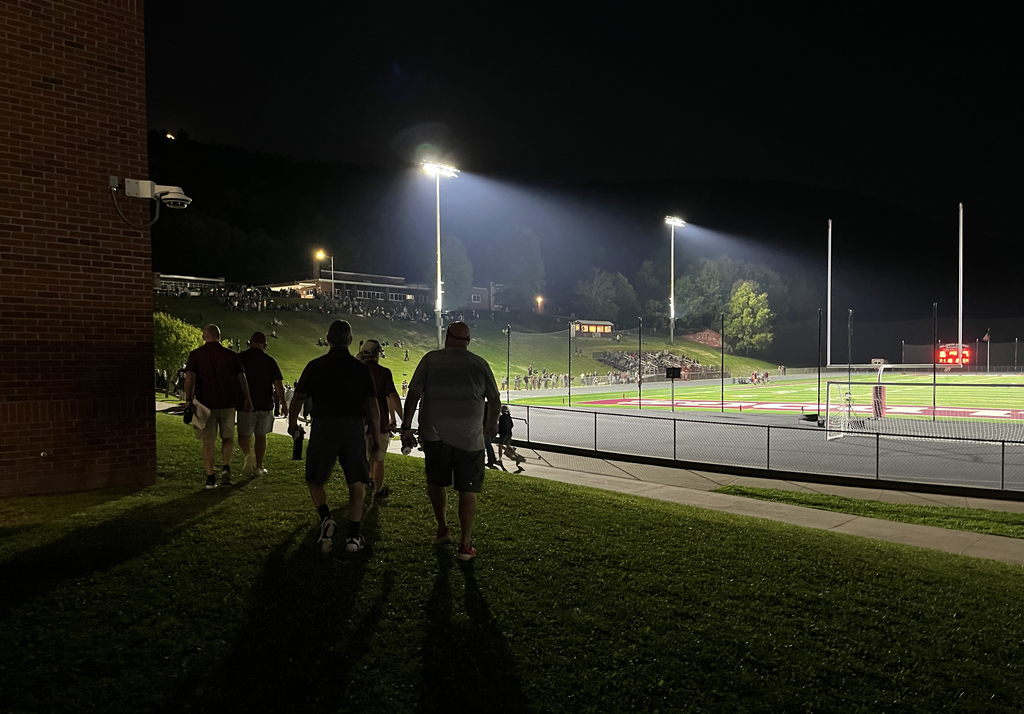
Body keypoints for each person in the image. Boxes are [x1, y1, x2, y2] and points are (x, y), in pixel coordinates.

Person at [401, 322, 500, 561]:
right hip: (470, 438)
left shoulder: (430, 360)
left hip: (435, 434)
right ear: (468, 340)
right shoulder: (480, 364)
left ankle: (443, 528)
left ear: (447, 337)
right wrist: (490, 424)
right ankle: (465, 544)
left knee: (437, 481)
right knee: (468, 489)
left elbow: (413, 395)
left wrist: (406, 427)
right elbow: (494, 399)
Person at [289, 320, 380, 555]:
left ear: (327, 339)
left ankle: (325, 517)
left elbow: (298, 398)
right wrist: (376, 433)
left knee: (315, 478)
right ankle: (353, 535)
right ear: (350, 340)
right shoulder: (361, 369)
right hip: (352, 427)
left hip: (324, 426)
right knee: (357, 481)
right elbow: (372, 404)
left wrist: (292, 423)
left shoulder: (316, 365)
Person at [184, 324, 253, 490]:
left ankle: (209, 477)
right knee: (228, 437)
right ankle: (226, 468)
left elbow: (190, 377)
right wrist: (247, 397)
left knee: (208, 441)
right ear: (219, 336)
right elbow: (241, 377)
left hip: (204, 404)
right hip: (228, 403)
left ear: (204, 336)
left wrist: (188, 399)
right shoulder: (230, 355)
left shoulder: (196, 355)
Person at [357, 339, 403, 500]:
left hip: (358, 422)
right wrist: (402, 419)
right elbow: (391, 396)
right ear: (377, 354)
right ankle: (377, 490)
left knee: (364, 458)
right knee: (379, 458)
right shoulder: (383, 372)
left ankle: (364, 488)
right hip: (380, 423)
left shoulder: (355, 370)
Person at [237, 332, 286, 478]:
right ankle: (259, 466)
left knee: (243, 436)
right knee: (261, 436)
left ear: (250, 342)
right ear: (264, 346)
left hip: (245, 404)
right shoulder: (270, 361)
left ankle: (248, 454)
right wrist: (283, 402)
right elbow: (278, 384)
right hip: (265, 404)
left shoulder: (240, 358)